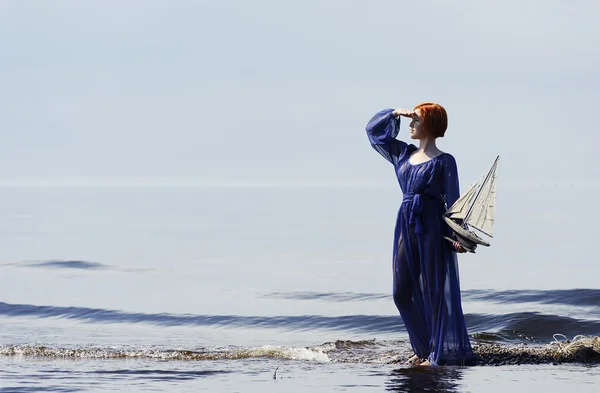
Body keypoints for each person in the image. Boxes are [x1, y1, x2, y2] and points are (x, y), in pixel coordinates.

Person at [365, 103, 477, 366]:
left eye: (415, 119)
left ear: (430, 124)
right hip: (406, 221)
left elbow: (454, 202)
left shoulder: (445, 161)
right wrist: (394, 113)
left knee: (435, 293)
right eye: (410, 119)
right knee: (401, 292)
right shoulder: (403, 154)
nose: (410, 124)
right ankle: (424, 348)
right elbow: (373, 132)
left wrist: (460, 237)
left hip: (433, 226)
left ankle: (436, 354)